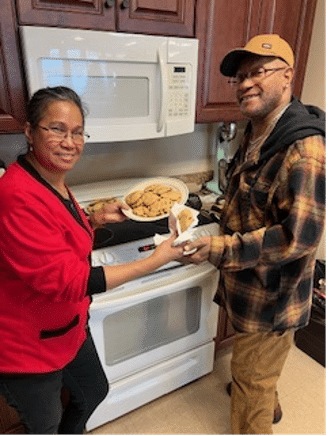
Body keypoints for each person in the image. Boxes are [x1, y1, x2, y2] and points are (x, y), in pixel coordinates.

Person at [0, 86, 186, 435]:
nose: (70, 142)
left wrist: (95, 219)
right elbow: (67, 279)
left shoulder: (48, 179)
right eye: (56, 129)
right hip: (26, 346)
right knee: (45, 426)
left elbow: (57, 231)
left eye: (77, 132)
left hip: (67, 327)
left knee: (93, 391)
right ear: (29, 131)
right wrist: (154, 261)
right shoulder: (15, 194)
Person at [184, 34, 326, 435]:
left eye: (258, 72)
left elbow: (297, 238)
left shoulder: (305, 151)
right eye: (240, 76)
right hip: (251, 288)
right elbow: (248, 202)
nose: (245, 83)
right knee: (260, 369)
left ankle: (257, 410)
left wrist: (219, 247)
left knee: (250, 378)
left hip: (272, 300)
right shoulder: (258, 130)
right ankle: (267, 397)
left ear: (288, 75)